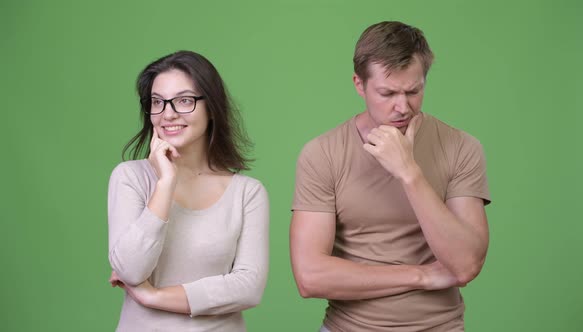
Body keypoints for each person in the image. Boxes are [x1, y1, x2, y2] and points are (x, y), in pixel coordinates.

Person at [290, 21, 491, 332]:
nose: (403, 106)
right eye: (387, 93)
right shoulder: (322, 154)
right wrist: (421, 276)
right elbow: (310, 276)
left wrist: (409, 172)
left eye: (414, 91)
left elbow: (465, 265)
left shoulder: (461, 147)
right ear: (359, 84)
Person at [107, 50, 269, 332]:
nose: (168, 114)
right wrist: (166, 183)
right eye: (158, 102)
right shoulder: (130, 178)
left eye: (184, 101)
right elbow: (131, 269)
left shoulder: (247, 193)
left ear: (211, 107)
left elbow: (248, 288)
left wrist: (153, 296)